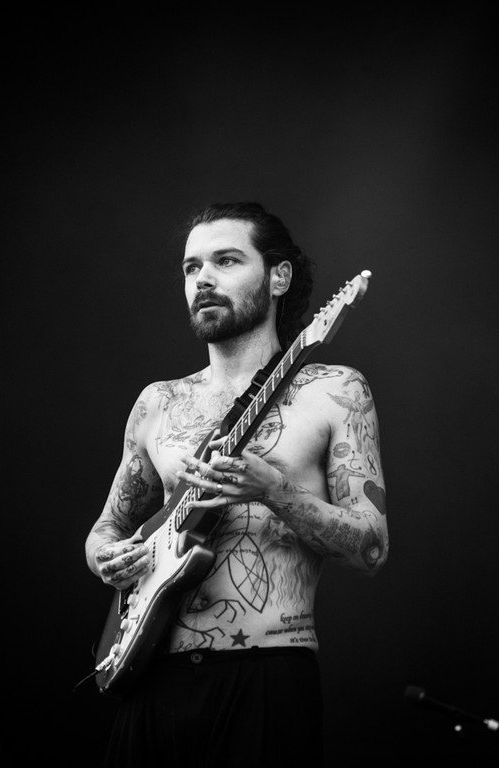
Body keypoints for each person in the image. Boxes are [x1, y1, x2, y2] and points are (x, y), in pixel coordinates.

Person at [85, 201, 389, 767]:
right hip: (152, 675)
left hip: (267, 676)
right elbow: (106, 528)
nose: (203, 278)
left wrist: (274, 489)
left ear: (279, 277)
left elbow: (371, 546)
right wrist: (108, 558)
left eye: (226, 261)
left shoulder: (335, 390)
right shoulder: (159, 402)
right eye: (191, 267)